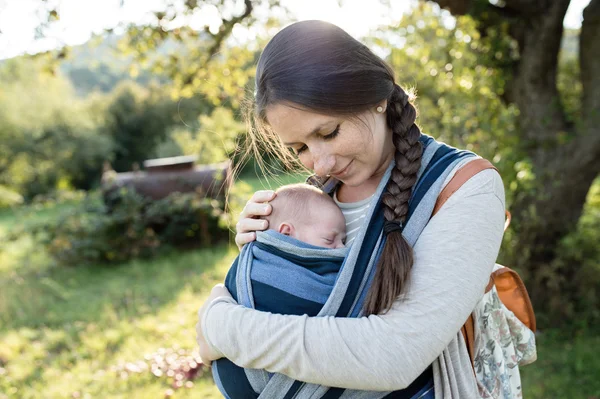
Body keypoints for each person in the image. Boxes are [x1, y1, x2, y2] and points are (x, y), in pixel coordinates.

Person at [196, 20, 507, 398]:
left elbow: (396, 355)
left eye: (328, 133)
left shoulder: (463, 186)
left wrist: (222, 328)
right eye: (300, 149)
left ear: (374, 98)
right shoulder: (312, 200)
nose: (321, 163)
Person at [212, 183, 349, 398]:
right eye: (330, 240)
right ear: (286, 232)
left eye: (344, 240)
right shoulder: (255, 261)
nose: (342, 250)